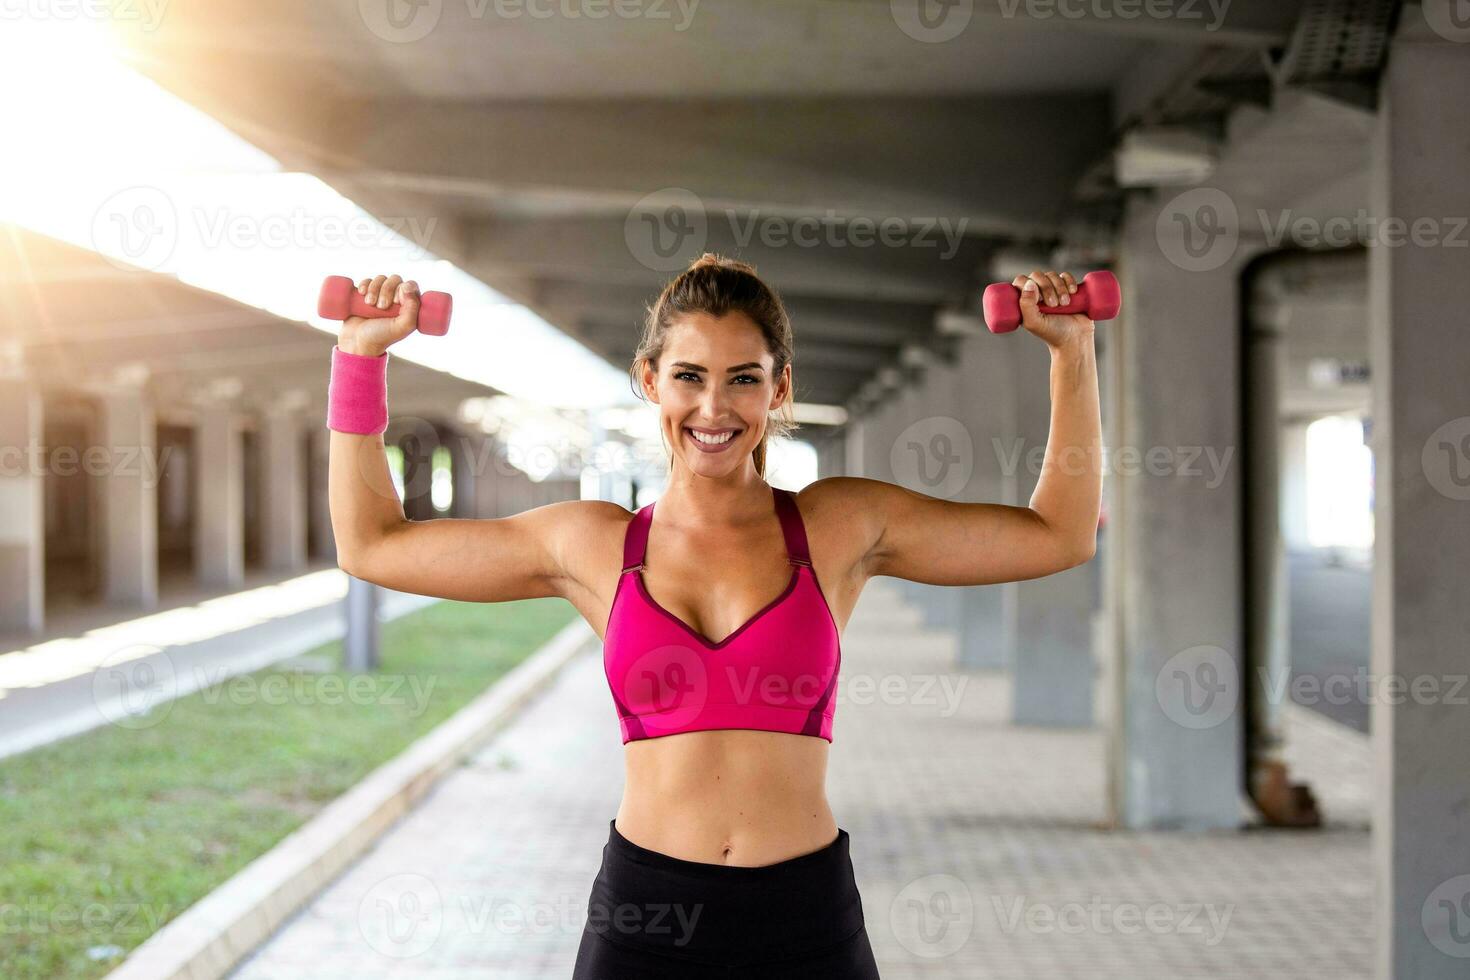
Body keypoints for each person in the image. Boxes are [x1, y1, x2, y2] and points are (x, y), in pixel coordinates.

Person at [325, 253, 1101, 978]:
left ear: (780, 388)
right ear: (650, 380)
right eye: (689, 376)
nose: (713, 407)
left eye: (743, 379)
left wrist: (1071, 355)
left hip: (806, 920)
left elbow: (1058, 536)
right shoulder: (592, 544)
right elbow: (373, 546)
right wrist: (360, 357)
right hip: (644, 920)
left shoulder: (839, 527)